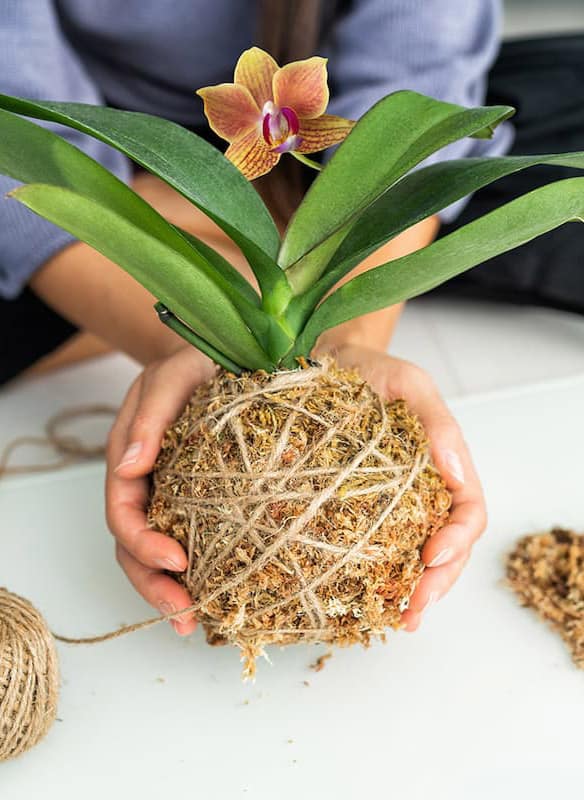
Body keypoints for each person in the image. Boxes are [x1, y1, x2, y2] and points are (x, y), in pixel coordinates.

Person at [1, 0, 507, 634]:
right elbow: (20, 139)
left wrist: (344, 344)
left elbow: (411, 110)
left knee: (482, 149)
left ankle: (228, 245)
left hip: (309, 162)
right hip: (108, 142)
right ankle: (266, 244)